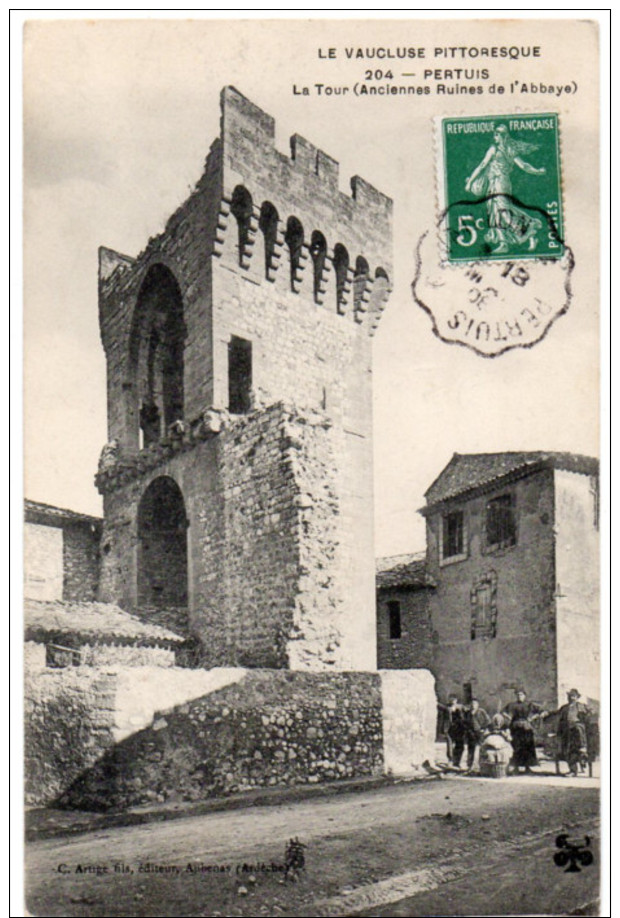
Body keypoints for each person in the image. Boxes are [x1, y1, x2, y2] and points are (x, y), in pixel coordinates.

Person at [464, 124, 546, 254]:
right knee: (495, 212)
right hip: (497, 183)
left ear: (502, 136)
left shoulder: (495, 149)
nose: (494, 137)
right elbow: (524, 165)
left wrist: (470, 183)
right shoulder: (509, 150)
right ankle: (504, 243)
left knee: (503, 212)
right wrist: (537, 171)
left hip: (499, 183)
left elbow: (482, 166)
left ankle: (529, 228)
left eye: (496, 134)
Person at [502, 689, 546, 774]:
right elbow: (503, 712)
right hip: (515, 728)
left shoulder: (529, 705)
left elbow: (542, 711)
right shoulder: (512, 705)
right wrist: (508, 717)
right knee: (516, 747)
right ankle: (516, 767)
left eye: (521, 695)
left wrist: (533, 717)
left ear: (525, 696)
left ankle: (527, 767)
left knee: (527, 747)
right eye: (518, 695)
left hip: (526, 729)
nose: (520, 696)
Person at [554, 689, 592, 777]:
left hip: (577, 732)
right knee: (568, 750)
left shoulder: (581, 706)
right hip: (567, 731)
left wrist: (587, 715)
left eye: (574, 696)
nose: (571, 698)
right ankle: (573, 770)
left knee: (577, 749)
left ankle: (581, 762)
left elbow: (590, 712)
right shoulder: (564, 708)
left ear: (577, 697)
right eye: (570, 696)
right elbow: (558, 715)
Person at [437, 695, 466, 767]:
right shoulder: (446, 708)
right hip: (449, 729)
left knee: (459, 745)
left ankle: (457, 762)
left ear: (456, 700)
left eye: (454, 699)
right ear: (449, 700)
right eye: (451, 699)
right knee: (449, 744)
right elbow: (439, 707)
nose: (453, 701)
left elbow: (466, 713)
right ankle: (450, 760)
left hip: (459, 729)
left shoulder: (460, 707)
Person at [463, 698, 490, 771]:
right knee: (470, 749)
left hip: (479, 732)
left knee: (481, 749)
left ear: (477, 705)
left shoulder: (481, 712)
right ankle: (470, 766)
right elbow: (464, 723)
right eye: (471, 704)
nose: (473, 705)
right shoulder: (467, 713)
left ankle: (481, 766)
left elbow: (487, 721)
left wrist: (483, 729)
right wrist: (467, 730)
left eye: (474, 704)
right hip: (471, 733)